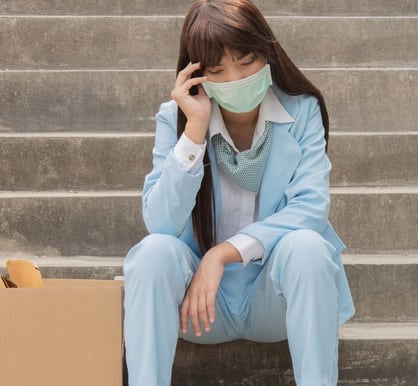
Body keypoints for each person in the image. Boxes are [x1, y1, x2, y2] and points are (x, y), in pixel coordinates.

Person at [122, 0, 355, 384]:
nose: (234, 79)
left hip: (275, 302)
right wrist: (194, 131)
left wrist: (222, 254)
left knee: (309, 247)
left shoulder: (302, 111)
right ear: (196, 73)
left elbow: (310, 209)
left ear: (268, 52)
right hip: (199, 308)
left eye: (246, 63)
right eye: (217, 70)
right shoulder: (174, 119)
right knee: (152, 254)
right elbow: (161, 223)